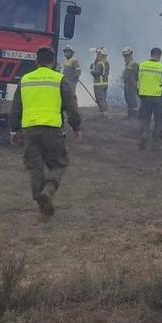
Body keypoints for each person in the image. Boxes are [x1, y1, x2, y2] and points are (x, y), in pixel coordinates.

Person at [9, 47, 82, 217]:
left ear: (36, 61)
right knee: (59, 163)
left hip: (30, 130)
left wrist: (13, 130)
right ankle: (48, 190)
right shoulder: (59, 79)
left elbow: (16, 108)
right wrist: (76, 127)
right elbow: (71, 107)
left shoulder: (25, 80)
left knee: (35, 166)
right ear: (53, 63)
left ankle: (40, 201)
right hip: (52, 130)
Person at [137, 47, 162, 151]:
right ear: (160, 55)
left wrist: (138, 92)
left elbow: (134, 80)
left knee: (144, 119)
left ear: (151, 54)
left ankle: (144, 134)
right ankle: (155, 144)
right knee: (159, 121)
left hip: (144, 98)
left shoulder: (141, 66)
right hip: (158, 99)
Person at [90, 47, 110, 116]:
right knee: (103, 98)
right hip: (105, 84)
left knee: (100, 99)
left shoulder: (99, 64)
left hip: (99, 85)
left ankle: (104, 113)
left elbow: (96, 73)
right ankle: (103, 112)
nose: (96, 56)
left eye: (97, 55)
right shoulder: (106, 63)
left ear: (100, 55)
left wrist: (91, 70)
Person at [121, 47, 139, 119]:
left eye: (127, 55)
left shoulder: (134, 64)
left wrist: (135, 86)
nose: (125, 57)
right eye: (125, 56)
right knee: (128, 99)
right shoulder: (128, 63)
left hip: (131, 85)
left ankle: (134, 116)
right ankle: (130, 115)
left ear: (131, 54)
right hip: (127, 84)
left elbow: (134, 77)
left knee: (132, 100)